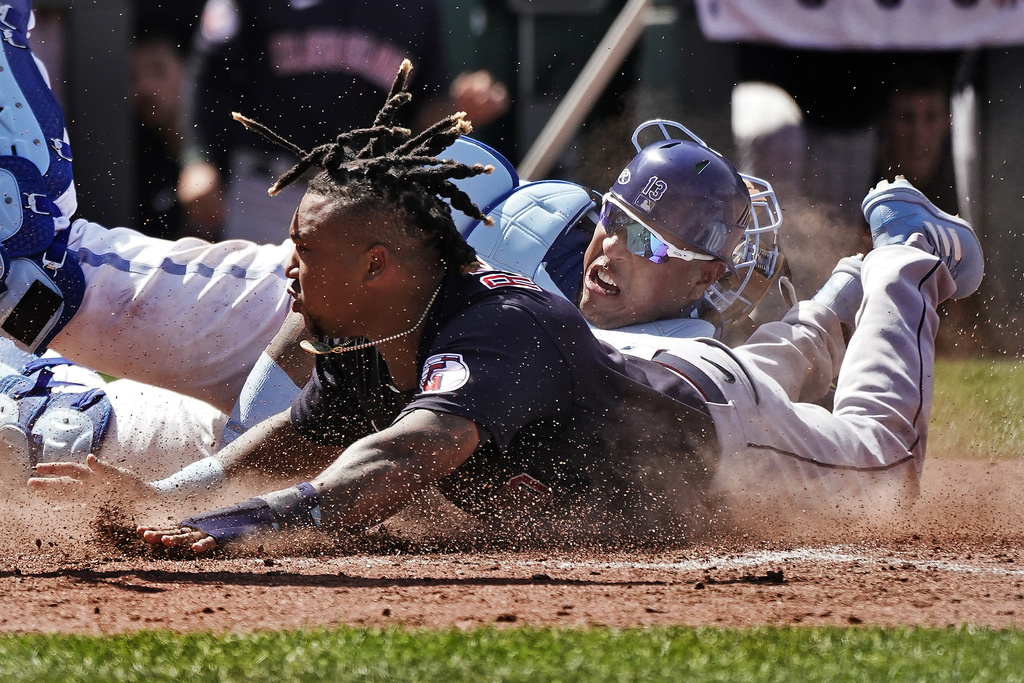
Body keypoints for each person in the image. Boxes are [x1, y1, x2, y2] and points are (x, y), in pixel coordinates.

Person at [104, 66, 980, 552]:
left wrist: (239, 524)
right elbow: (296, 434)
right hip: (669, 373)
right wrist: (164, 494)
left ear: (379, 264)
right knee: (776, 359)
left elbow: (397, 458)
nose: (286, 273)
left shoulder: (497, 327)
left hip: (723, 439)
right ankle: (848, 289)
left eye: (306, 252)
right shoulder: (386, 329)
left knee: (881, 468)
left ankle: (905, 251)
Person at [178, 0, 508, 244]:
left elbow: (422, 110)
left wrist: (459, 111)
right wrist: (198, 160)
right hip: (270, 186)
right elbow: (207, 79)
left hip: (363, 193)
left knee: (349, 327)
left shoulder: (416, 7)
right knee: (255, 310)